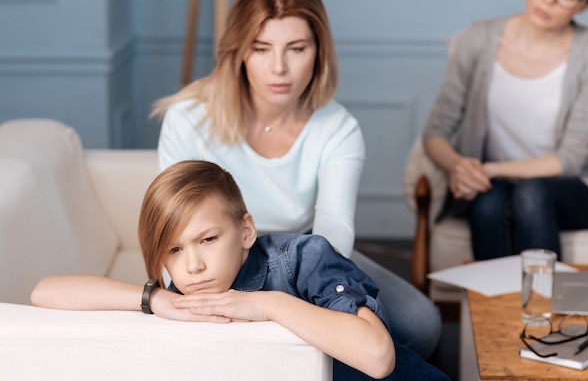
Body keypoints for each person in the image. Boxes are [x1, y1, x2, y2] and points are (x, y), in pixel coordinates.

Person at [152, 0, 441, 358]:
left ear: (319, 50)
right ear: (238, 50)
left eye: (297, 48)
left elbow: (333, 232)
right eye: (261, 48)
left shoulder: (338, 128)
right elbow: (174, 227)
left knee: (422, 325)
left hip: (305, 253)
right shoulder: (188, 118)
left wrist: (292, 301)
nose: (279, 69)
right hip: (216, 257)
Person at [31, 160, 449, 381]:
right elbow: (45, 293)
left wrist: (268, 305)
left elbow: (377, 358)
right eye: (174, 249)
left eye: (208, 239)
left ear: (245, 230)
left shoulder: (301, 258)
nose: (193, 265)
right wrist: (154, 298)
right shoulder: (181, 291)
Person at [422, 0, 588, 260]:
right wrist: (460, 167)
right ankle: (496, 304)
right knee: (487, 200)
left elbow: (569, 160)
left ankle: (542, 303)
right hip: (491, 187)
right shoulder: (477, 39)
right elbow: (435, 132)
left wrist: (488, 169)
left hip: (573, 190)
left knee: (530, 194)